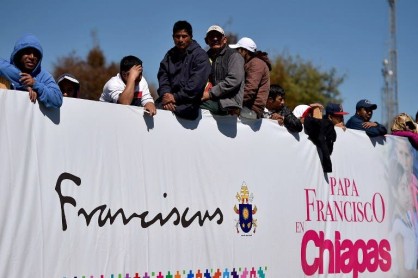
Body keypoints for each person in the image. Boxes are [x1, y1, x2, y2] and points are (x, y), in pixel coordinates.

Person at [157, 20, 211, 120]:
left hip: (189, 104)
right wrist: (166, 95)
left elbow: (196, 85)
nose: (180, 40)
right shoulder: (169, 55)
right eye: (177, 36)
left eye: (184, 36)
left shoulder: (200, 55)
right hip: (167, 102)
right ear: (173, 37)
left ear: (191, 36)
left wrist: (175, 97)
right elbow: (163, 77)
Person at [0, 34, 62, 108]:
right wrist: (24, 83)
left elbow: (57, 99)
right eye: (27, 52)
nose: (32, 57)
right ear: (18, 54)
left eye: (36, 54)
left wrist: (35, 85)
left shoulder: (43, 75)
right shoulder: (7, 66)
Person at [201, 25, 245, 116]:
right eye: (211, 36)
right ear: (206, 41)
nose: (215, 39)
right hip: (213, 100)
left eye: (218, 36)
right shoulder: (204, 58)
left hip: (229, 103)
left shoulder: (234, 56)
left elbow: (234, 79)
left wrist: (210, 93)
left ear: (224, 39)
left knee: (194, 105)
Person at [229, 37, 271, 119]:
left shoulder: (256, 64)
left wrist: (232, 103)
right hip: (246, 107)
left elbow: (250, 89)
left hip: (251, 110)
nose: (236, 53)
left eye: (238, 50)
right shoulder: (250, 63)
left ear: (244, 51)